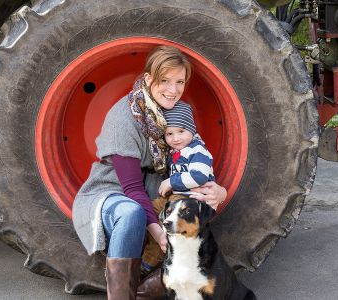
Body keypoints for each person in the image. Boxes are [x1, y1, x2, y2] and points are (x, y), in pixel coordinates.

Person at [72, 45, 227, 300]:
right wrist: (157, 231)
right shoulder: (125, 117)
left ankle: (145, 286)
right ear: (148, 79)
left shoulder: (177, 114)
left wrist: (220, 191)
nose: (173, 89)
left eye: (180, 81)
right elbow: (132, 189)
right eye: (164, 80)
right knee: (131, 213)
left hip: (157, 189)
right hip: (114, 189)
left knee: (194, 218)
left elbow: (194, 159)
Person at [141, 100, 217, 275]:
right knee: (149, 213)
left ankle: (159, 261)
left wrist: (171, 182)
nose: (175, 138)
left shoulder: (197, 150)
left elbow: (199, 176)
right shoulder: (178, 152)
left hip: (193, 201)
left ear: (192, 129)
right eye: (169, 134)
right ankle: (147, 253)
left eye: (181, 131)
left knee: (165, 222)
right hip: (177, 197)